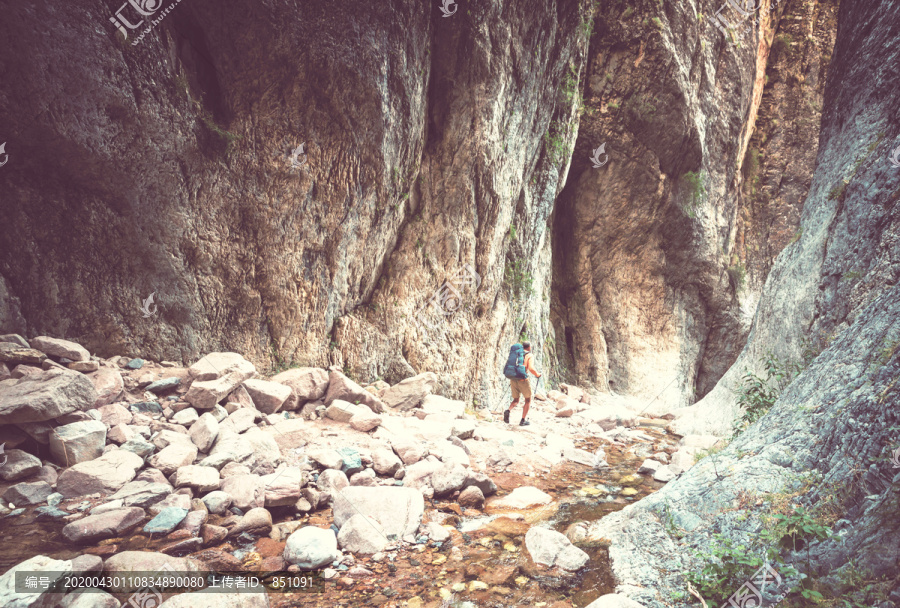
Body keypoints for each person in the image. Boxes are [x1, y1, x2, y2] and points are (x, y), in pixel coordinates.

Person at [504, 341, 541, 426]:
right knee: (528, 400)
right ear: (529, 347)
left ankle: (508, 410)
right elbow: (531, 368)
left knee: (516, 400)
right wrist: (538, 374)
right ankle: (523, 420)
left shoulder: (516, 354)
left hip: (513, 379)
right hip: (523, 381)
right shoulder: (529, 355)